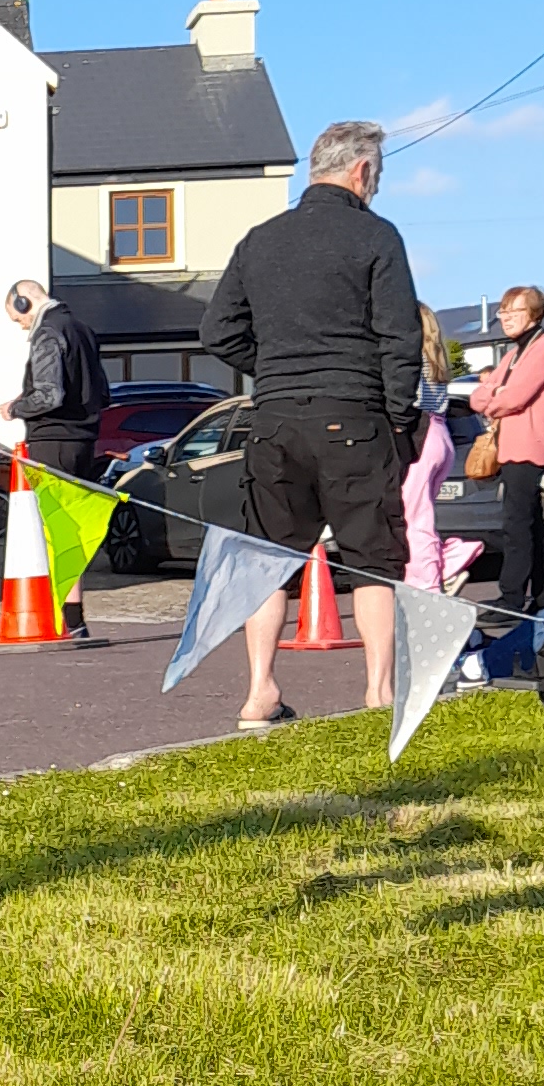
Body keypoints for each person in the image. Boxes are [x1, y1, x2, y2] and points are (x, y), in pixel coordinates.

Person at [198, 117, 422, 726]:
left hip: (274, 420)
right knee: (373, 559)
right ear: (361, 170)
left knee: (267, 558)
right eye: (377, 174)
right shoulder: (376, 236)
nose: (376, 185)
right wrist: (398, 418)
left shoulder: (259, 239)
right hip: (354, 415)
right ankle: (378, 691)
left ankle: (259, 691)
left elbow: (216, 331)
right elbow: (400, 339)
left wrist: (273, 367)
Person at [0, 273, 114, 641]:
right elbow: (103, 393)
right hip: (84, 440)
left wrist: (15, 408)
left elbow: (49, 395)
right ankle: (74, 618)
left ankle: (65, 620)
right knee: (71, 531)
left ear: (25, 302)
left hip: (52, 441)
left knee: (54, 531)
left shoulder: (47, 333)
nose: (21, 326)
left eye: (18, 318)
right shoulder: (83, 330)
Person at [472, 284, 544, 617]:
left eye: (514, 311)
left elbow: (513, 397)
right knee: (533, 525)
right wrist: (495, 393)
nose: (506, 317)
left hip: (531, 447)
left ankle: (511, 599)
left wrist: (496, 395)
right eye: (503, 310)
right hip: (513, 447)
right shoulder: (515, 353)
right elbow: (478, 396)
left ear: (535, 314)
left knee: (516, 524)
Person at [400, 305, 474, 593]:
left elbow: (409, 399)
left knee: (413, 515)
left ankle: (427, 582)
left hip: (421, 435)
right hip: (441, 433)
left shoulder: (410, 358)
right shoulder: (434, 357)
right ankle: (446, 562)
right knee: (422, 510)